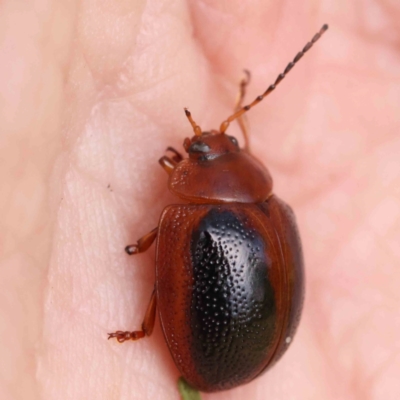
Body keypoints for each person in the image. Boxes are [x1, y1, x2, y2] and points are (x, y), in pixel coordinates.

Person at [1, 1, 399, 399]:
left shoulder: (210, 220)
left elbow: (168, 275)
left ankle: (142, 331)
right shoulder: (269, 206)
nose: (201, 140)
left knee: (164, 283)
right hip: (245, 352)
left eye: (201, 154)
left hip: (220, 353)